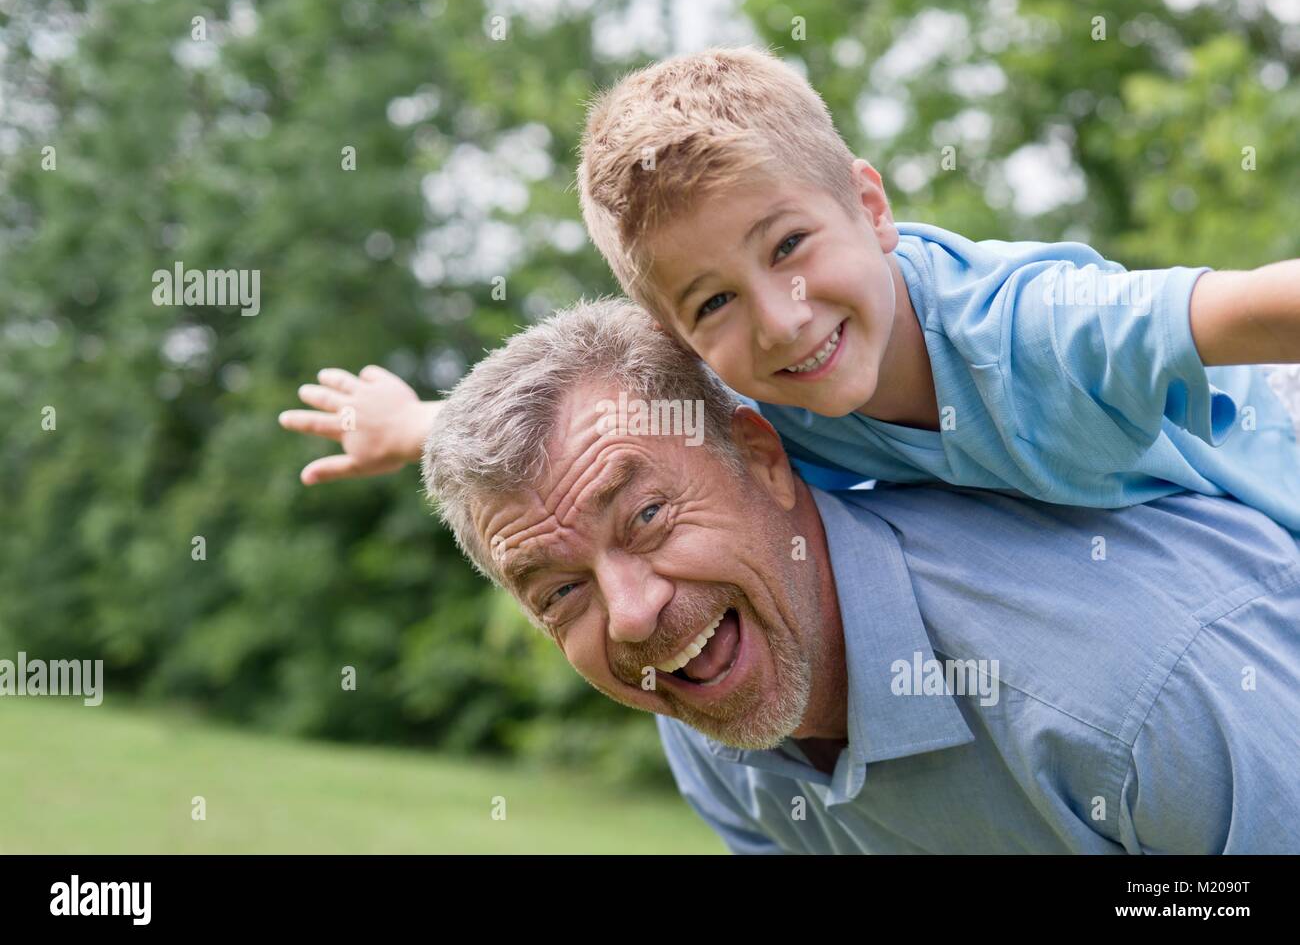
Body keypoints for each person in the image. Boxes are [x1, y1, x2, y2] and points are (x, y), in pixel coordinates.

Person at [280, 297, 1300, 853]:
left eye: (645, 516)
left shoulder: (1135, 699)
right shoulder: (717, 718)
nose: (632, 617)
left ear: (764, 460)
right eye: (559, 592)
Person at [574, 45, 1300, 529]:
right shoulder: (761, 409)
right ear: (681, 338)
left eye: (788, 245)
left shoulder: (1032, 331)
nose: (780, 321)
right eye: (714, 302)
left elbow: (1256, 310)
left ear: (872, 208)